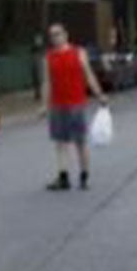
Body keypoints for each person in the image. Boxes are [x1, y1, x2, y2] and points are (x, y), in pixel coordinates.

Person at [37, 23, 105, 190]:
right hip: (58, 105)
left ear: (66, 35)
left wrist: (100, 94)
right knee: (60, 142)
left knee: (80, 142)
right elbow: (46, 83)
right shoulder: (48, 58)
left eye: (58, 34)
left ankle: (84, 175)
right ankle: (63, 177)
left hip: (76, 104)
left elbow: (88, 75)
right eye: (52, 35)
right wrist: (44, 105)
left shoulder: (79, 53)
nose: (55, 38)